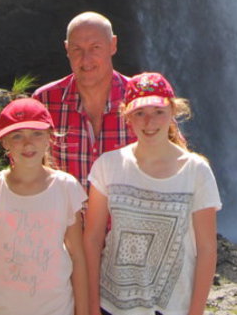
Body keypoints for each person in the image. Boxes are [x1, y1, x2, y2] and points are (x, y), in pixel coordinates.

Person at [84, 72, 220, 315]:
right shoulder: (108, 165)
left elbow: (207, 248)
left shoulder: (196, 171)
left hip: (172, 307)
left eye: (158, 112)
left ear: (173, 111)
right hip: (112, 305)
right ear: (127, 116)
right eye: (140, 113)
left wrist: (196, 312)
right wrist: (92, 306)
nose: (149, 122)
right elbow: (93, 238)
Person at [0, 97, 91, 315]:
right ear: (4, 142)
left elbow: (78, 258)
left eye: (36, 133)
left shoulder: (66, 187)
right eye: (17, 136)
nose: (28, 143)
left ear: (49, 137)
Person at [33, 11, 135, 188]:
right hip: (64, 207)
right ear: (67, 49)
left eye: (95, 47)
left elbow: (174, 160)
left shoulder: (140, 99)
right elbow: (24, 170)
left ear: (113, 45)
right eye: (77, 49)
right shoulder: (44, 102)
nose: (86, 59)